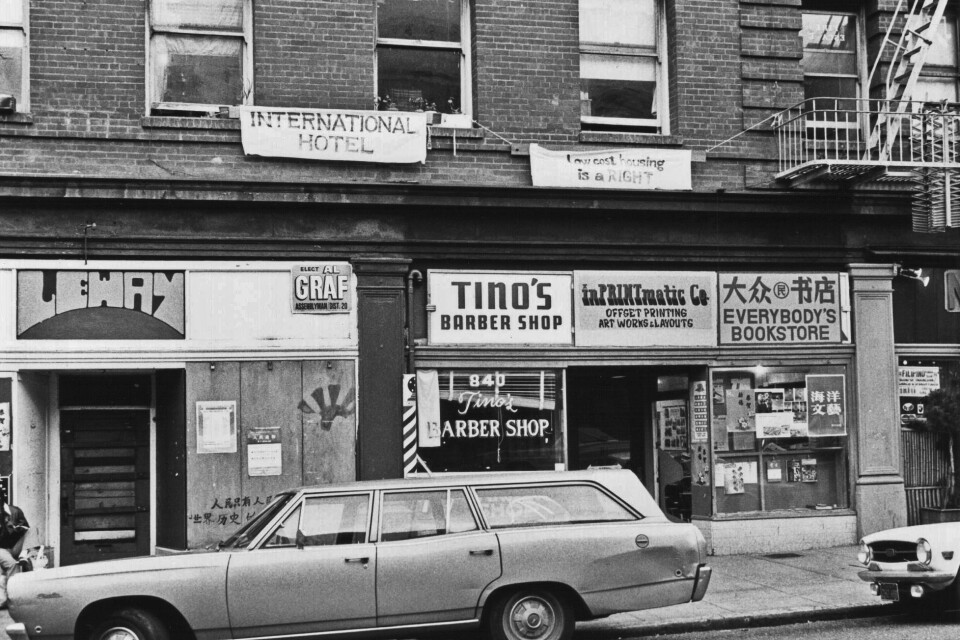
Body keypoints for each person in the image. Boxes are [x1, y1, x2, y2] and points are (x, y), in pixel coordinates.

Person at [0, 497, 29, 610]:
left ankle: (3, 600)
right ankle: (14, 596)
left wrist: (14, 529)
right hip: (1, 548)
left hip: (13, 546)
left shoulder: (14, 511)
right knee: (12, 565)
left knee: (1, 573)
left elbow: (25, 526)